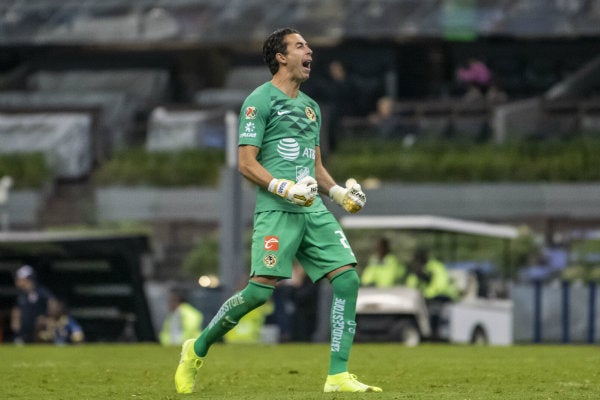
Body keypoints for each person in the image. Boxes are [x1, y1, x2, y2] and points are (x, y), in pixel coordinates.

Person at [174, 27, 381, 394]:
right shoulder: (259, 101)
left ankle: (337, 376)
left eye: (309, 45)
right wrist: (283, 187)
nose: (310, 51)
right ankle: (197, 348)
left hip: (312, 208)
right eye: (301, 46)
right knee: (257, 294)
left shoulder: (312, 108)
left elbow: (315, 168)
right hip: (277, 209)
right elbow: (245, 163)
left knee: (347, 279)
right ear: (281, 57)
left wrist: (338, 193)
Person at [10, 265, 55, 344]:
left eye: (18, 279)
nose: (16, 281)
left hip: (38, 330)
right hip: (23, 330)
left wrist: (48, 318)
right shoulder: (21, 294)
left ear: (27, 279)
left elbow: (52, 303)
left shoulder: (41, 291)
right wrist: (15, 320)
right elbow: (17, 308)